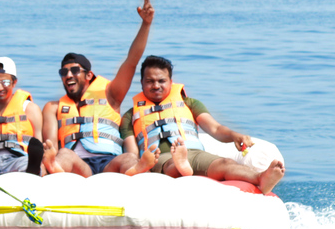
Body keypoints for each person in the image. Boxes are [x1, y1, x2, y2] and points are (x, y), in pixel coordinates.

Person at [120, 55, 285, 194]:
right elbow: (132, 152)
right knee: (172, 166)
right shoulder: (130, 116)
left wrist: (235, 135)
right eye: (150, 81)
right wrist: (143, 164)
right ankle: (182, 167)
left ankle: (261, 178)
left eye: (161, 81)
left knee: (226, 164)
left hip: (194, 154)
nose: (156, 86)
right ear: (141, 82)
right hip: (161, 158)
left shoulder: (189, 104)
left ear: (171, 81)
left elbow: (215, 128)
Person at [42, 0, 159, 177]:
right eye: (63, 72)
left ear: (89, 76)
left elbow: (131, 61)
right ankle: (56, 168)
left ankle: (135, 169)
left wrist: (146, 24)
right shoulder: (52, 107)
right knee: (63, 154)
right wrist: (50, 155)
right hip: (79, 163)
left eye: (74, 70)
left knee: (128, 158)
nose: (68, 75)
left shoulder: (111, 94)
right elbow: (51, 144)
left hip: (109, 161)